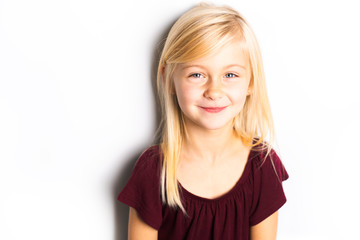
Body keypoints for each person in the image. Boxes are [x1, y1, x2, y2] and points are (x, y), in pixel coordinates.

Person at [117, 3, 289, 240]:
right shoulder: (152, 171)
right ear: (168, 79)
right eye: (197, 74)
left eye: (230, 75)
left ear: (250, 82)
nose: (214, 91)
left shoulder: (262, 166)